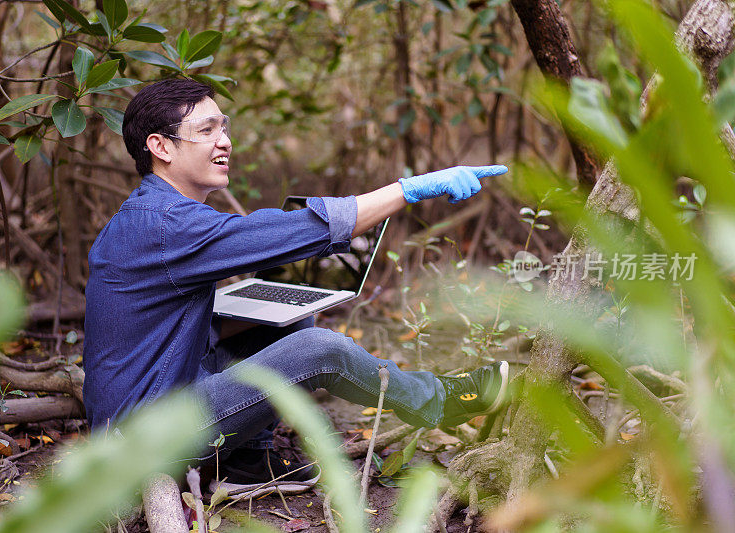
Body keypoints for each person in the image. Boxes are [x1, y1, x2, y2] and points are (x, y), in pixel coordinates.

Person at [82, 78, 510, 498]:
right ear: (160, 147)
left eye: (224, 126)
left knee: (284, 320)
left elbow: (164, 331)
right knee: (317, 349)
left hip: (161, 401)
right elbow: (294, 232)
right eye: (206, 130)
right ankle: (441, 400)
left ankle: (248, 463)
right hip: (144, 441)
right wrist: (410, 189)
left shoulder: (154, 214)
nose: (225, 141)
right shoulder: (163, 225)